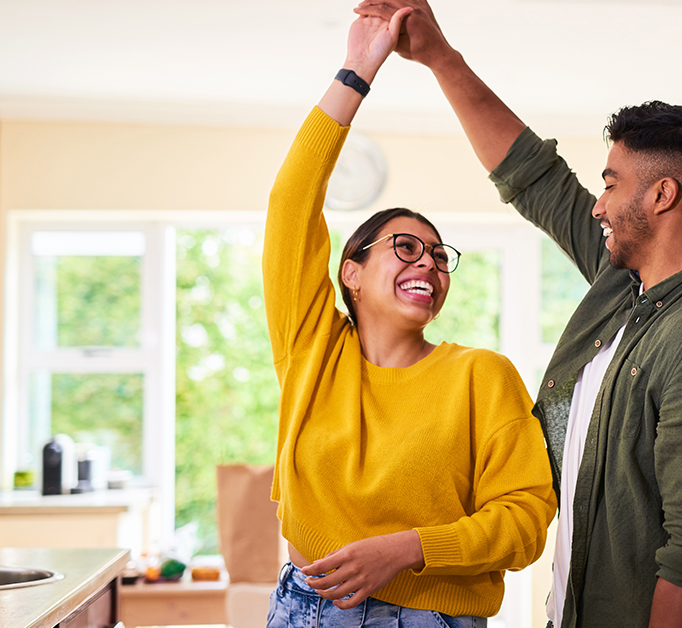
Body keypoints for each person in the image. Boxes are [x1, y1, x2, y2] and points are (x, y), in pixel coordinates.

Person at [353, 2, 682, 627]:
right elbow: (536, 179)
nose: (598, 204)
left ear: (662, 196)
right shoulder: (628, 284)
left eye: (611, 184)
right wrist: (439, 59)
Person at [262, 9, 557, 627]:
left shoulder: (481, 377)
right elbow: (291, 203)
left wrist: (408, 549)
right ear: (352, 271)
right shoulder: (311, 349)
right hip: (304, 609)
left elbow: (526, 520)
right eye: (404, 246)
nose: (427, 261)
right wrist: (359, 67)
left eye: (437, 254)